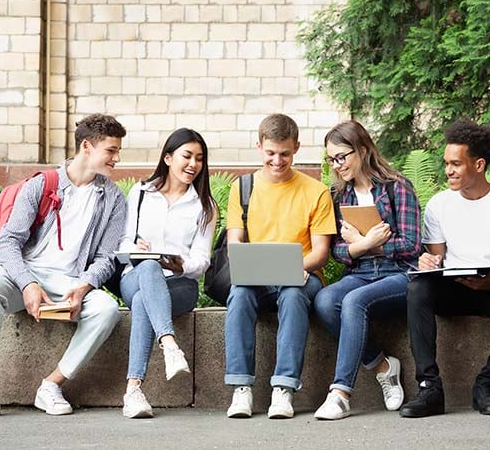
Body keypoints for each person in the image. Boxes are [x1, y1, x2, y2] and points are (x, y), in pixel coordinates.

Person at [0, 114, 128, 420]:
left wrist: (84, 287)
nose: (117, 158)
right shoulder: (42, 185)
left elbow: (106, 257)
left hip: (71, 280)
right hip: (25, 272)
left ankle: (51, 384)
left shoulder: (113, 198)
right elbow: (6, 243)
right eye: (111, 150)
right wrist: (27, 284)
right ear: (87, 146)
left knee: (106, 310)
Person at [401, 120, 490, 418]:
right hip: (453, 287)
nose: (448, 170)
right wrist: (427, 262)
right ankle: (429, 388)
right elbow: (435, 258)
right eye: (446, 163)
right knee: (417, 288)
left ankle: (486, 384)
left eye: (456, 164)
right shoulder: (439, 204)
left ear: (478, 164)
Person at [224, 113, 337, 419]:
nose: (277, 160)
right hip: (258, 276)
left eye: (285, 154)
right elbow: (235, 243)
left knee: (292, 293)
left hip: (302, 273)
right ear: (259, 146)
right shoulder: (243, 187)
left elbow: (321, 253)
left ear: (296, 148)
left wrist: (293, 267)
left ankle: (283, 389)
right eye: (271, 153)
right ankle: (241, 389)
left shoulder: (315, 192)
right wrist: (256, 265)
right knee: (240, 293)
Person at [312, 121, 421, 420]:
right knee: (324, 301)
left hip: (398, 274)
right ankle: (383, 366)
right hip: (360, 273)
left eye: (341, 157)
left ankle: (341, 393)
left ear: (362, 150)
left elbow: (412, 245)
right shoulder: (339, 196)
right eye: (331, 159)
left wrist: (369, 243)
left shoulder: (396, 187)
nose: (337, 165)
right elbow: (336, 250)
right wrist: (360, 248)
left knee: (354, 301)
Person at [117, 128, 217, 419]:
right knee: (148, 266)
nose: (193, 164)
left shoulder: (205, 206)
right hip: (135, 276)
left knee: (142, 303)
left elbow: (202, 260)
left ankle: (133, 390)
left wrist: (181, 265)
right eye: (187, 156)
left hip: (180, 285)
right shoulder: (140, 193)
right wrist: (135, 246)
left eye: (199, 159)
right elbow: (121, 243)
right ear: (168, 157)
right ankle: (170, 345)